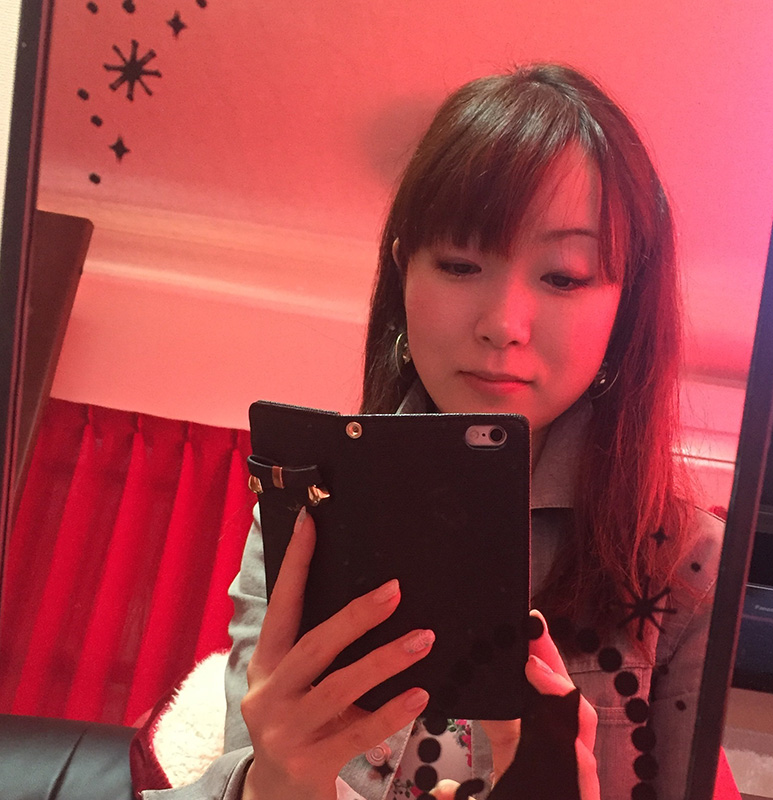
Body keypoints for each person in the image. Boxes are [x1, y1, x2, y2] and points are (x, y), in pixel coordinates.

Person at [143, 64, 722, 800]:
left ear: (626, 304)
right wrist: (272, 783)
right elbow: (247, 757)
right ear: (403, 273)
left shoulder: (684, 562)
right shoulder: (315, 506)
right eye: (458, 263)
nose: (502, 324)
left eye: (564, 276)